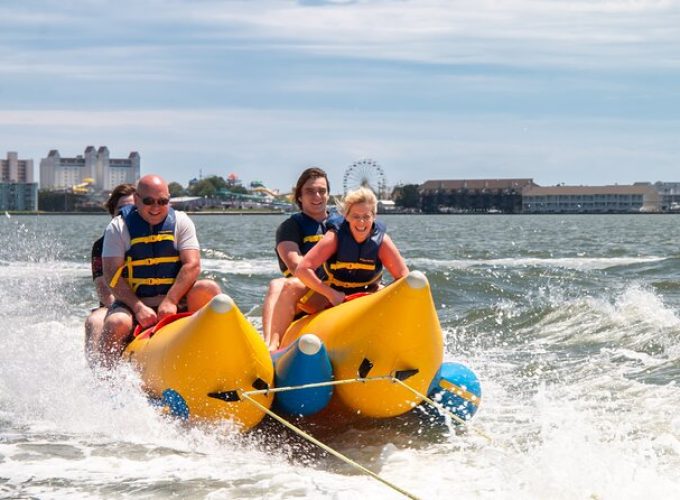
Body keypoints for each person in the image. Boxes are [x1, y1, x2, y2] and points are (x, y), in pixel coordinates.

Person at [94, 174, 221, 368]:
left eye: (162, 201)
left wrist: (171, 300)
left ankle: (219, 352)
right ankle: (105, 380)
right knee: (116, 322)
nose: (156, 207)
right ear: (136, 199)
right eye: (148, 201)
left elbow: (192, 265)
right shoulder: (118, 227)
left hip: (175, 299)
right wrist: (138, 307)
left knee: (208, 288)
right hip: (133, 305)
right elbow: (111, 274)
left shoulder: (181, 221)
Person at [262, 167, 339, 351]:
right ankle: (271, 346)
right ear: (299, 197)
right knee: (278, 284)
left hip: (339, 288)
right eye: (310, 191)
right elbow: (296, 266)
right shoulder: (290, 227)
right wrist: (326, 290)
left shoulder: (341, 223)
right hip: (306, 294)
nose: (317, 196)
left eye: (322, 191)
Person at [295, 186, 409, 308]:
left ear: (374, 216)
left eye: (366, 216)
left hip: (367, 296)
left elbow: (404, 278)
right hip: (332, 296)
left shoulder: (382, 241)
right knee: (290, 289)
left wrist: (383, 295)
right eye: (356, 216)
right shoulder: (334, 237)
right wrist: (332, 294)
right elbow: (302, 270)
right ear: (346, 216)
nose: (361, 222)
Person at [84, 183, 136, 367]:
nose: (126, 214)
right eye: (121, 209)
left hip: (150, 302)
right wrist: (131, 310)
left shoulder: (150, 237)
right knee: (95, 321)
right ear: (112, 213)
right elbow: (104, 289)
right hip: (116, 304)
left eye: (132, 208)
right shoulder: (102, 245)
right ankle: (99, 373)